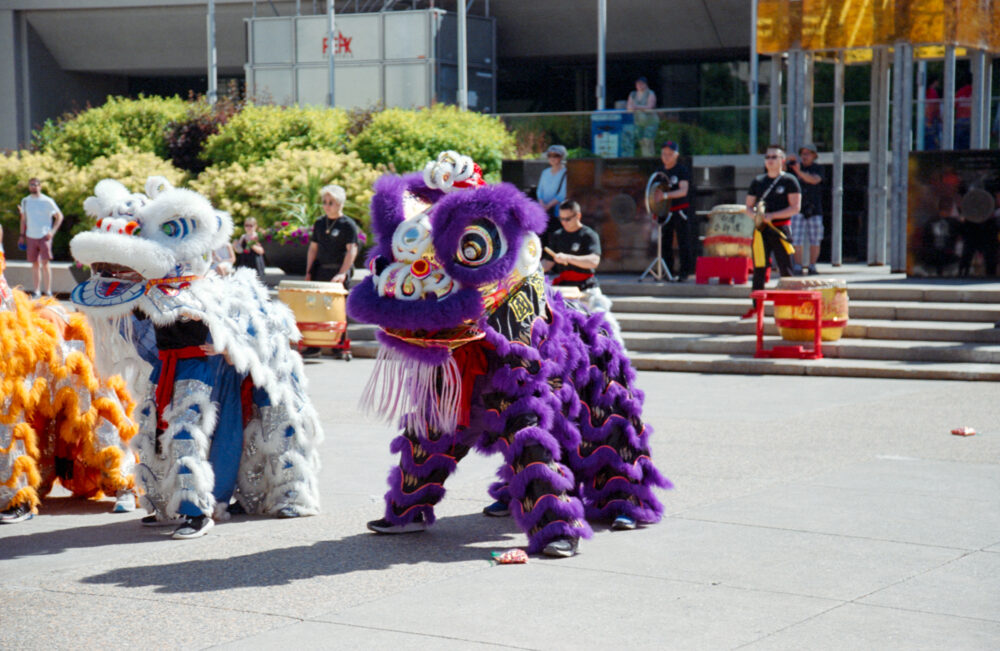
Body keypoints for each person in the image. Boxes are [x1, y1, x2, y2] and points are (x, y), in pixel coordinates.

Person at [742, 145, 801, 318]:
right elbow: (748, 207)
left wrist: (773, 215)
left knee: (786, 267)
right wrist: (757, 216)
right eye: (767, 157)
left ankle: (790, 307)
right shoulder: (758, 181)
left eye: (774, 157)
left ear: (782, 160)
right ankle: (756, 307)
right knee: (759, 268)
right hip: (761, 230)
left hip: (780, 228)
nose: (770, 160)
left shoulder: (789, 181)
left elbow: (795, 207)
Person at [652, 140, 693, 281]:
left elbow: (683, 191)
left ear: (676, 155)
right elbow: (654, 191)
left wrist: (666, 195)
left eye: (670, 154)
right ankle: (667, 271)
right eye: (664, 154)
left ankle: (685, 272)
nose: (667, 157)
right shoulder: (659, 171)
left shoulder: (681, 170)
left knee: (683, 241)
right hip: (665, 211)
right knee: (665, 242)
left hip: (679, 210)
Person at [305, 184, 359, 287]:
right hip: (320, 270)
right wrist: (309, 272)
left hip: (338, 270)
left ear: (339, 204)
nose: (326, 206)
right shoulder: (319, 223)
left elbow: (351, 250)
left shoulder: (348, 224)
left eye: (331, 203)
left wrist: (342, 273)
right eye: (324, 202)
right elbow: (313, 249)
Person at [18, 177, 63, 298]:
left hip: (44, 235)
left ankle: (48, 291)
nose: (33, 186)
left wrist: (52, 232)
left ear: (40, 186)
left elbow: (59, 216)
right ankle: (37, 290)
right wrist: (21, 235)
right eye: (31, 184)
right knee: (35, 264)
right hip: (30, 235)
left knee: (45, 263)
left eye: (35, 184)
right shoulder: (25, 201)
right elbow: (23, 219)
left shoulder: (47, 201)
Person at [542, 200, 601, 291]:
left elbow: (594, 261)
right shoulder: (557, 236)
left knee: (599, 305)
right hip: (564, 285)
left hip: (586, 285)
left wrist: (567, 258)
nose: (564, 222)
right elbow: (547, 263)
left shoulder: (589, 235)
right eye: (561, 219)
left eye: (567, 219)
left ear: (578, 216)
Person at [788, 143, 824, 275]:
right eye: (803, 154)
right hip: (798, 208)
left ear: (814, 155)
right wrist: (786, 160)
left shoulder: (818, 168)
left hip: (814, 209)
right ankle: (798, 265)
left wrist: (799, 172)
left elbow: (814, 180)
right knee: (796, 237)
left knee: (815, 238)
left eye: (808, 153)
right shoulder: (793, 168)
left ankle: (812, 265)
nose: (805, 156)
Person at [536, 144, 568, 245]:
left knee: (556, 237)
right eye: (550, 155)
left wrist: (548, 206)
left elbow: (562, 194)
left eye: (556, 155)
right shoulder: (545, 172)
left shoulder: (566, 173)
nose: (552, 158)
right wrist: (542, 204)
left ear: (561, 157)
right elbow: (539, 190)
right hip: (544, 211)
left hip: (557, 212)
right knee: (542, 236)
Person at [627, 76, 660, 157]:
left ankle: (650, 157)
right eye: (638, 84)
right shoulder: (633, 94)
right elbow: (629, 106)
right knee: (641, 140)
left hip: (650, 121)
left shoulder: (650, 93)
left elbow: (650, 106)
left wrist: (637, 107)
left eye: (641, 84)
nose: (639, 85)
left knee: (648, 140)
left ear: (645, 84)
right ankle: (644, 156)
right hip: (638, 121)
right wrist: (632, 108)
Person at [955, 79, 972, 150]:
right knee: (970, 141)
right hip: (971, 119)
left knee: (959, 141)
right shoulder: (976, 90)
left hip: (960, 119)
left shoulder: (960, 91)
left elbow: (955, 105)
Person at [925, 77, 942, 150]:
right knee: (932, 140)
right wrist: (930, 120)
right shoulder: (932, 92)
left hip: (928, 119)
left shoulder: (927, 92)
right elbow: (932, 106)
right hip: (931, 120)